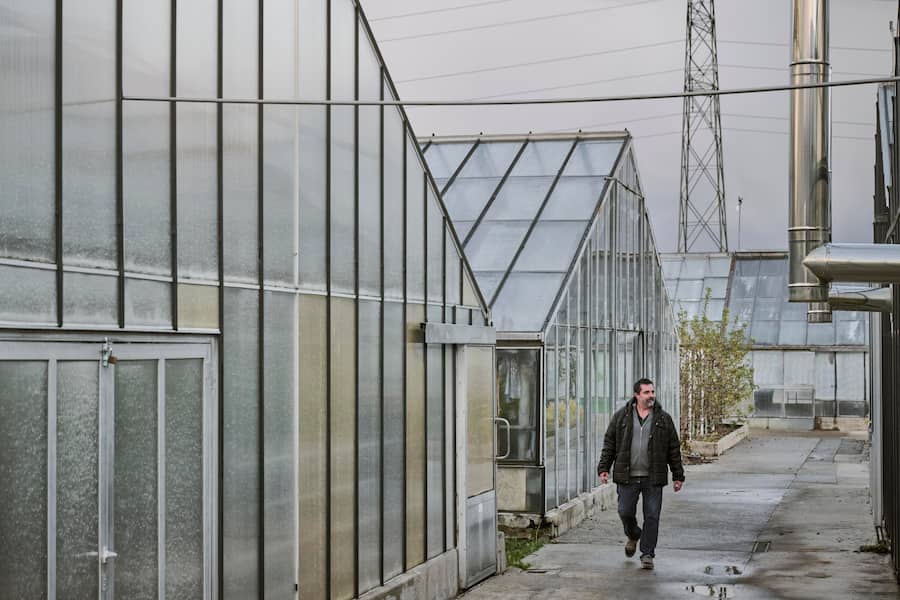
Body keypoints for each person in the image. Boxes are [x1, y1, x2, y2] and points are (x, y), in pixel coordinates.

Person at [596, 378, 685, 570]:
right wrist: (604, 468)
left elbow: (673, 449)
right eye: (647, 392)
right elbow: (609, 444)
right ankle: (634, 534)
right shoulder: (621, 417)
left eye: (652, 392)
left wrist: (678, 475)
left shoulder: (663, 419)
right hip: (627, 476)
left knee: (652, 516)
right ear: (637, 395)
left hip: (653, 477)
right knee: (625, 511)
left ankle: (647, 554)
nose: (651, 395)